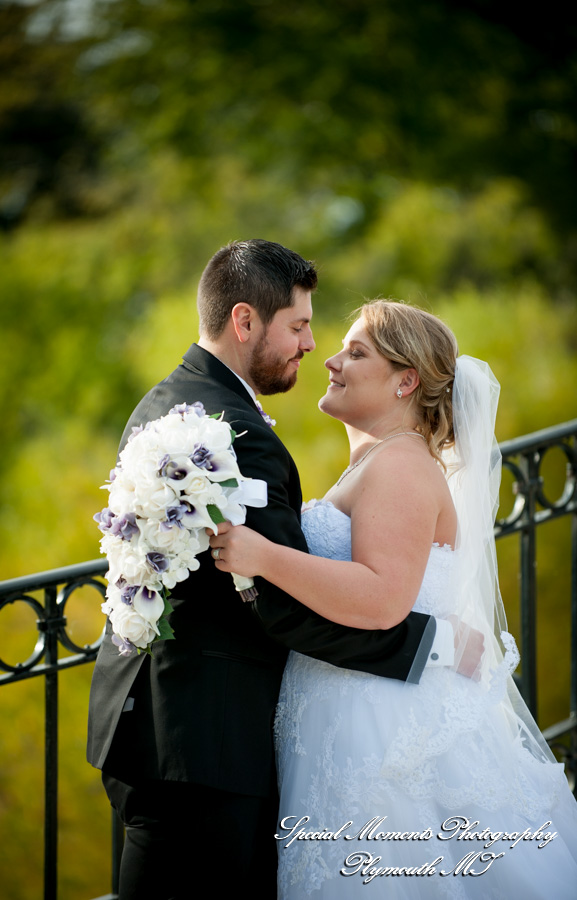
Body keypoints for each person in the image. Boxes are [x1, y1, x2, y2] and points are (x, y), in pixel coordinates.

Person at [87, 244, 479, 900]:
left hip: (160, 725)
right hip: (205, 743)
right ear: (245, 322)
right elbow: (273, 603)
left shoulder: (169, 402)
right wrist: (431, 647)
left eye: (349, 348)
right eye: (298, 326)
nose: (313, 347)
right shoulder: (233, 430)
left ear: (406, 380)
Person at [210, 299, 577, 898]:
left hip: (381, 725)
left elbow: (383, 599)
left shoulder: (401, 466)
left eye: (356, 353)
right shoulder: (378, 461)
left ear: (407, 380)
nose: (330, 360)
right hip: (350, 704)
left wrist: (263, 556)